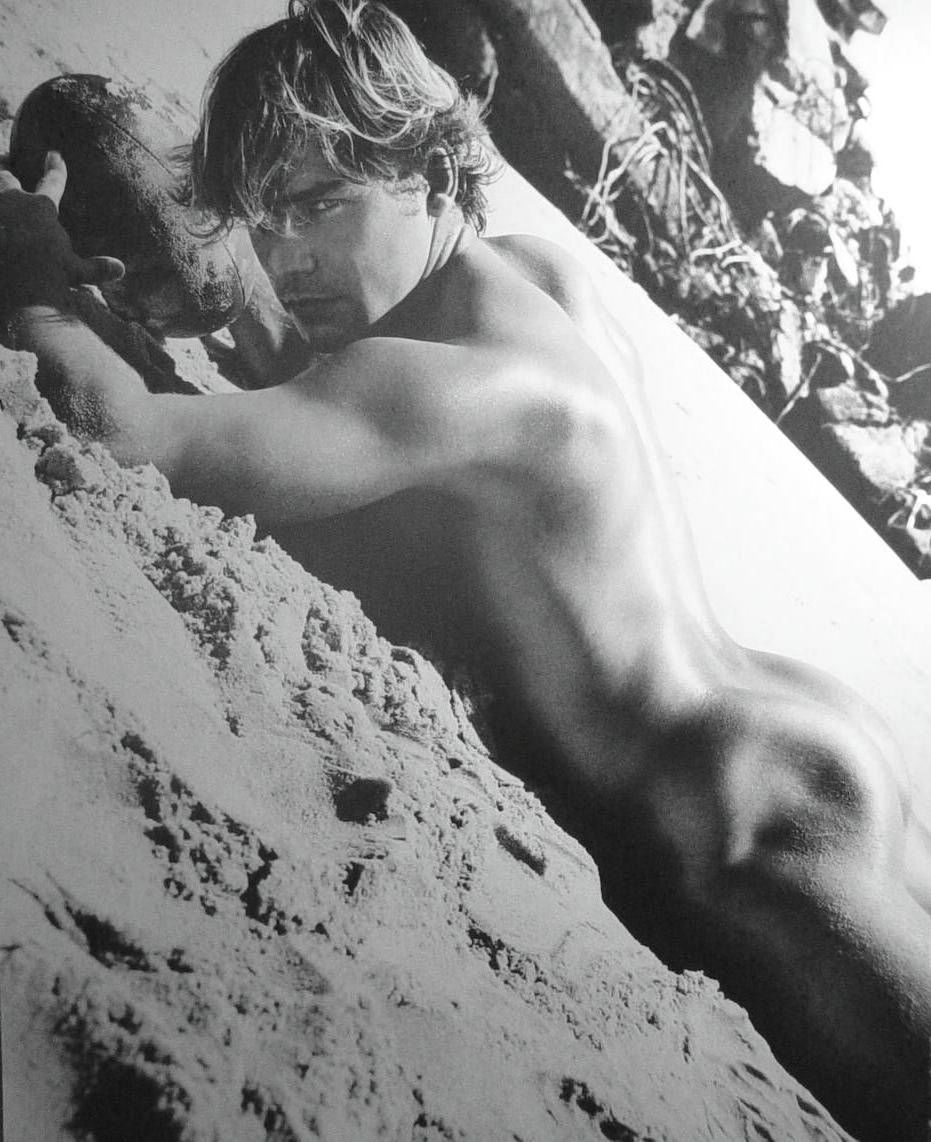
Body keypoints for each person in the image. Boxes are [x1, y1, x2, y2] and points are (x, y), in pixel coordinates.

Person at [1, 2, 929, 1136]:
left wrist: (29, 270)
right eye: (263, 217)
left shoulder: (457, 385)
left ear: (432, 171)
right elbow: (340, 381)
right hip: (793, 734)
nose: (286, 256)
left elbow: (127, 434)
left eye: (317, 205)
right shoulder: (533, 277)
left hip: (745, 844)